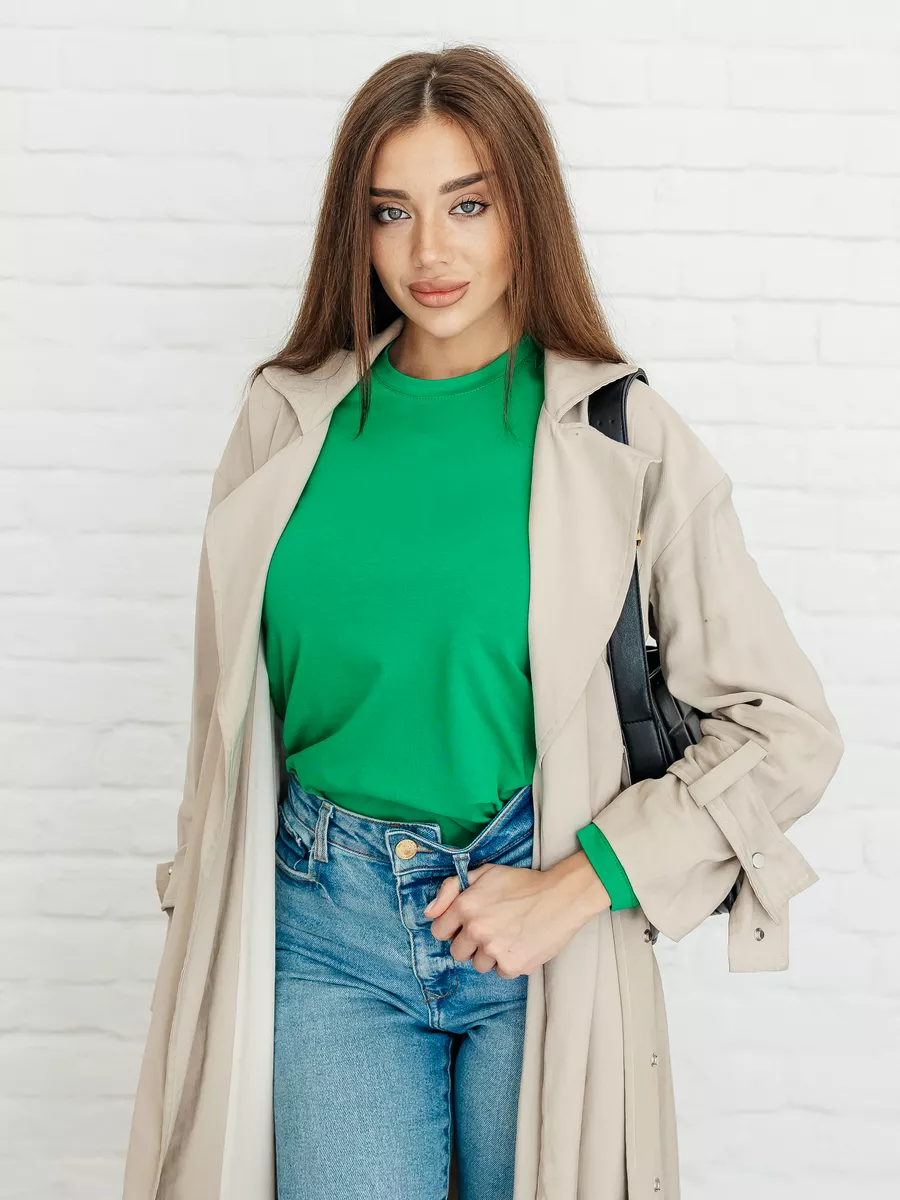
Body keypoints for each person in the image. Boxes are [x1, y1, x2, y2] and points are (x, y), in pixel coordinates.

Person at [124, 45, 844, 1200]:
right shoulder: (284, 422)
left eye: (469, 204)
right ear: (356, 230)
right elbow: (226, 723)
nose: (430, 252)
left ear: (526, 210)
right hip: (324, 928)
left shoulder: (622, 435)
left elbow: (785, 729)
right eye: (391, 211)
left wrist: (579, 884)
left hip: (541, 912)